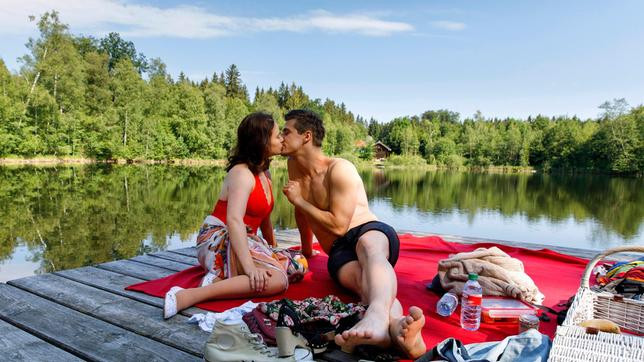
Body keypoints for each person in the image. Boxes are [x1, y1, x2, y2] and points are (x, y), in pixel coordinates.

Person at [280, 109, 426, 359]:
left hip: (367, 230)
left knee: (370, 250)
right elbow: (302, 214)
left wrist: (298, 201)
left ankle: (377, 316)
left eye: (286, 131)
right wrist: (306, 251)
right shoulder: (293, 166)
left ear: (306, 136)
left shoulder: (340, 169)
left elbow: (337, 225)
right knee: (364, 283)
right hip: (338, 251)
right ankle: (397, 330)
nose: (280, 136)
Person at [164, 112, 289, 319]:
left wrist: (273, 250)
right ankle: (187, 295)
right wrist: (250, 268)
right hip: (220, 237)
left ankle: (218, 280)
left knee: (295, 266)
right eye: (277, 136)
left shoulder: (265, 174)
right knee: (277, 280)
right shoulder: (241, 173)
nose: (282, 139)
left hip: (244, 239)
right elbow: (233, 220)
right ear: (262, 141)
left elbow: (264, 218)